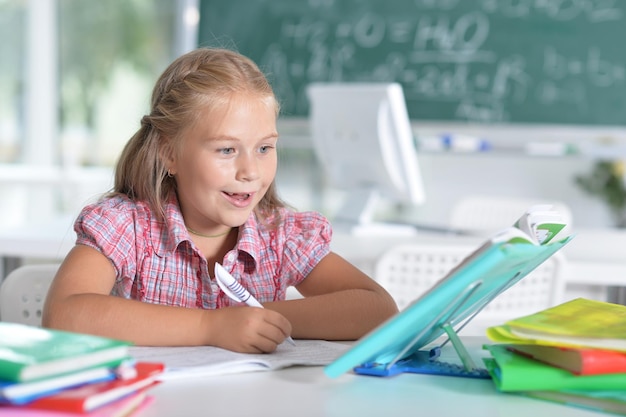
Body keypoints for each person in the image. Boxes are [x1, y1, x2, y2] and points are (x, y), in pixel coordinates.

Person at [43, 47, 398, 353]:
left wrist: (260, 319)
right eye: (227, 149)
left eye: (264, 148)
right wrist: (211, 327)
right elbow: (63, 314)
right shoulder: (128, 225)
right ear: (169, 153)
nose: (249, 171)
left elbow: (378, 308)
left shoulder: (280, 234)